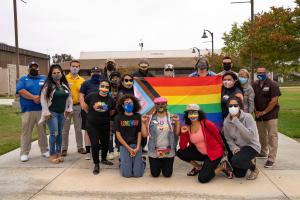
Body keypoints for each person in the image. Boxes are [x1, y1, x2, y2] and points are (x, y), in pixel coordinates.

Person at [176, 104, 227, 183]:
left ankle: (223, 166)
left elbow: (218, 137)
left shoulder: (207, 124)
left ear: (199, 113)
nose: (192, 115)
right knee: (180, 152)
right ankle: (198, 167)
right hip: (201, 153)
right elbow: (183, 147)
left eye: (194, 113)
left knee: (203, 178)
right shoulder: (187, 127)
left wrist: (223, 152)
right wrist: (183, 134)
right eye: (190, 113)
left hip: (214, 154)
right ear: (187, 115)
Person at [40, 64, 73, 164]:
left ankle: (58, 153)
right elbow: (43, 100)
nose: (56, 74)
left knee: (60, 134)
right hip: (52, 113)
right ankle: (52, 154)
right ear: (51, 74)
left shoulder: (64, 85)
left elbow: (69, 98)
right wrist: (46, 113)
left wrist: (69, 109)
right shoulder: (48, 86)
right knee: (54, 133)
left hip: (62, 114)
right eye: (54, 73)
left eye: (58, 72)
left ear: (62, 73)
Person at [16, 61, 49, 162]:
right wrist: (33, 97)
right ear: (29, 69)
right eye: (32, 67)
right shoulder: (23, 79)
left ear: (38, 69)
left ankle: (44, 150)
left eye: (35, 67)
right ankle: (24, 153)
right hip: (28, 110)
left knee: (42, 131)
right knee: (26, 132)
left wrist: (41, 97)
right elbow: (21, 90)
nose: (34, 69)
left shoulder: (44, 78)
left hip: (41, 110)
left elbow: (48, 90)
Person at [141, 97, 180, 177]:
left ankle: (163, 163)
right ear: (155, 106)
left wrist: (177, 122)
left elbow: (177, 133)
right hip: (154, 150)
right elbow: (145, 135)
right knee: (155, 174)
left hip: (168, 150)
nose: (160, 106)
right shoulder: (150, 118)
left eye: (163, 104)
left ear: (166, 105)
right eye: (158, 104)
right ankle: (151, 162)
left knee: (167, 174)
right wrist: (143, 122)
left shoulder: (172, 118)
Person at [224, 97, 261, 180]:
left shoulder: (248, 117)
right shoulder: (226, 121)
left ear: (239, 106)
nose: (233, 108)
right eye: (230, 106)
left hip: (251, 145)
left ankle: (254, 169)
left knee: (236, 160)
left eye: (235, 105)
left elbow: (250, 137)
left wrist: (236, 122)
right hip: (239, 147)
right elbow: (228, 138)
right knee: (239, 174)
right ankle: (247, 160)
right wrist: (234, 148)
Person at [84, 79, 116, 174]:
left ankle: (103, 159)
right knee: (94, 144)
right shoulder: (91, 96)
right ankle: (96, 164)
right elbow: (85, 107)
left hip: (105, 124)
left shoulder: (111, 100)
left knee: (105, 143)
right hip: (92, 125)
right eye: (102, 86)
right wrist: (92, 115)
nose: (104, 88)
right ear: (99, 87)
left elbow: (112, 112)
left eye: (106, 87)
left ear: (109, 89)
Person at [252, 66, 281, 168]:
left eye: (262, 72)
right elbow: (252, 99)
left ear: (266, 73)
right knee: (262, 135)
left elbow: (274, 101)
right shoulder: (254, 84)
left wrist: (264, 112)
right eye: (258, 72)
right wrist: (256, 111)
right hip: (258, 114)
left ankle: (271, 158)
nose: (260, 74)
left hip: (271, 114)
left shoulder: (273, 84)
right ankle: (263, 152)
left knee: (272, 136)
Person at [114, 94, 145, 177]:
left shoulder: (138, 116)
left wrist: (138, 147)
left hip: (136, 145)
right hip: (124, 146)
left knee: (138, 174)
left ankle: (142, 161)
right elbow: (118, 135)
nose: (129, 104)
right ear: (123, 105)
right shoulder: (118, 117)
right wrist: (129, 148)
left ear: (134, 104)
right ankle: (122, 162)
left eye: (130, 103)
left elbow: (139, 133)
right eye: (126, 103)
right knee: (126, 174)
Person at [61, 60, 86, 156]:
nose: (75, 68)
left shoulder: (82, 80)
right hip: (66, 107)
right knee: (65, 129)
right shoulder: (64, 79)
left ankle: (80, 147)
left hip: (77, 106)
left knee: (78, 129)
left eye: (77, 66)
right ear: (70, 67)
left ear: (79, 68)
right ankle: (64, 148)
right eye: (73, 66)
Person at [79, 66, 104, 160]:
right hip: (87, 110)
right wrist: (83, 106)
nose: (96, 73)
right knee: (87, 130)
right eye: (94, 72)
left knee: (101, 129)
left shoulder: (103, 83)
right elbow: (81, 95)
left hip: (101, 110)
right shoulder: (86, 83)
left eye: (98, 71)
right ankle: (88, 152)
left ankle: (100, 150)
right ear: (91, 73)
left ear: (100, 73)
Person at [107, 71, 122, 160]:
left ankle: (119, 150)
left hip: (119, 115)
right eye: (113, 77)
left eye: (117, 77)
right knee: (110, 135)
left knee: (118, 134)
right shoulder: (107, 88)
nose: (115, 79)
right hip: (109, 116)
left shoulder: (122, 89)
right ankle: (110, 151)